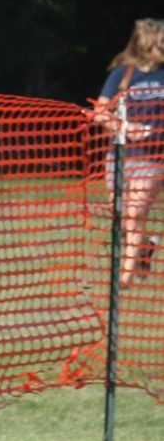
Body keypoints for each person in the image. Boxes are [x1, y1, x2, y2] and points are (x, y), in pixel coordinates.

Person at [93, 18, 164, 287]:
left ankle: (124, 277)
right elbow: (100, 113)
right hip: (120, 154)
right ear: (148, 42)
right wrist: (124, 127)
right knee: (120, 214)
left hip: (153, 156)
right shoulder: (123, 73)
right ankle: (144, 249)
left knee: (136, 213)